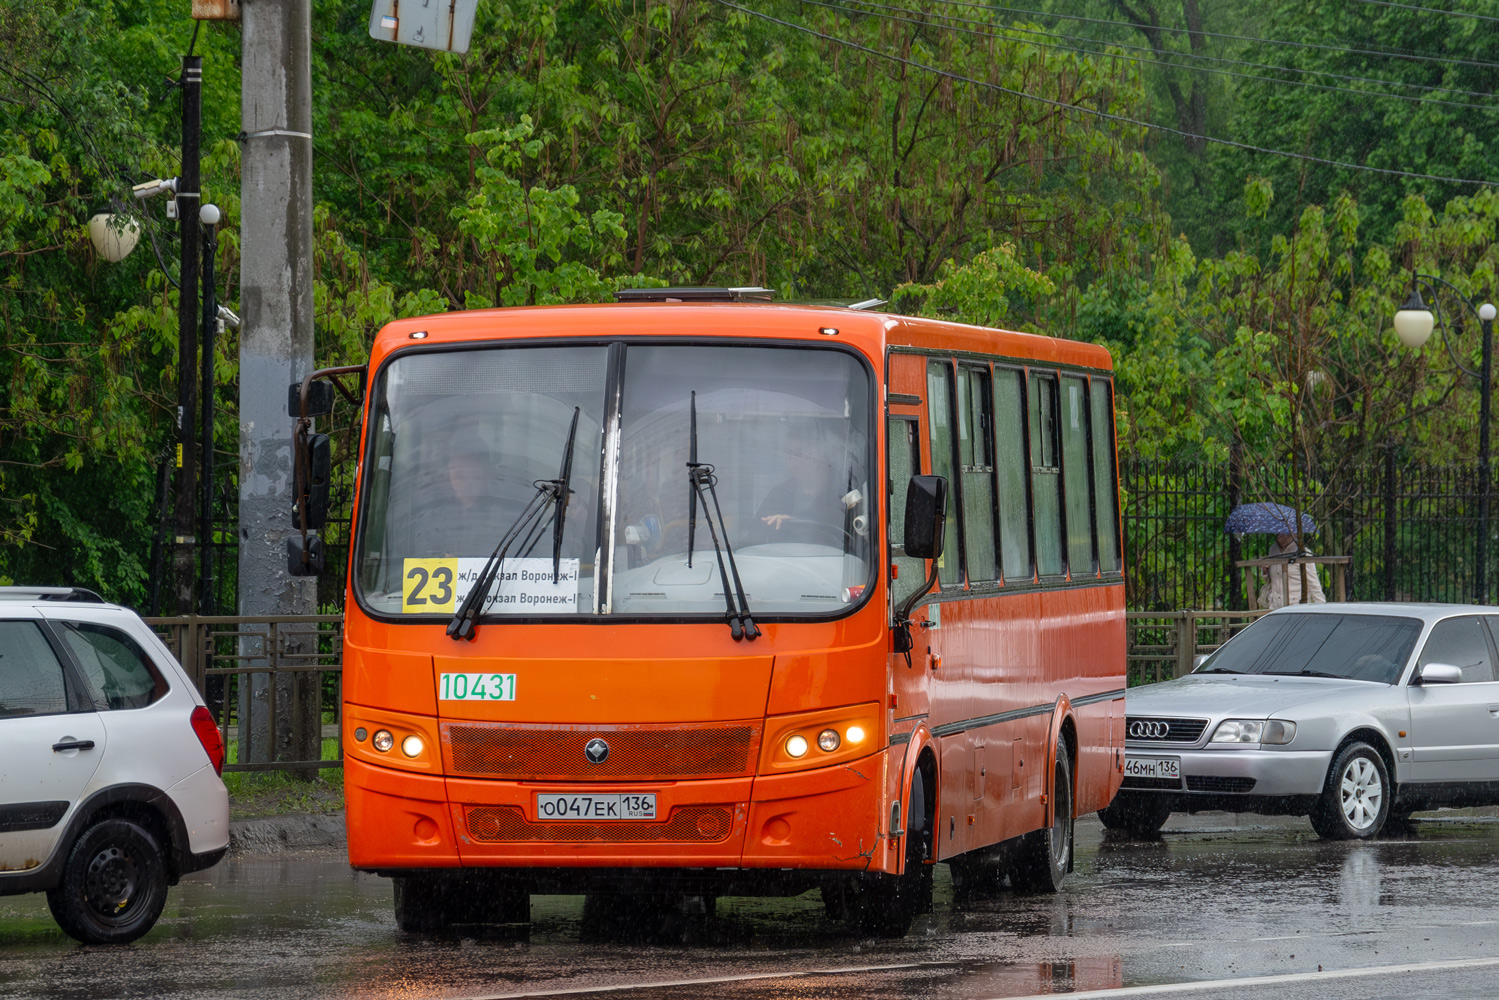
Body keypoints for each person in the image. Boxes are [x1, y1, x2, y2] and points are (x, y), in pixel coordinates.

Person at [1257, 532, 1326, 609]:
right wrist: (1265, 571)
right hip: (1275, 607)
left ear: (1294, 533)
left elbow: (1314, 585)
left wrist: (1321, 608)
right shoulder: (1273, 550)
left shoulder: (1302, 553)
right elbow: (1270, 580)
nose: (1280, 532)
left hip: (1295, 606)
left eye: (1284, 531)